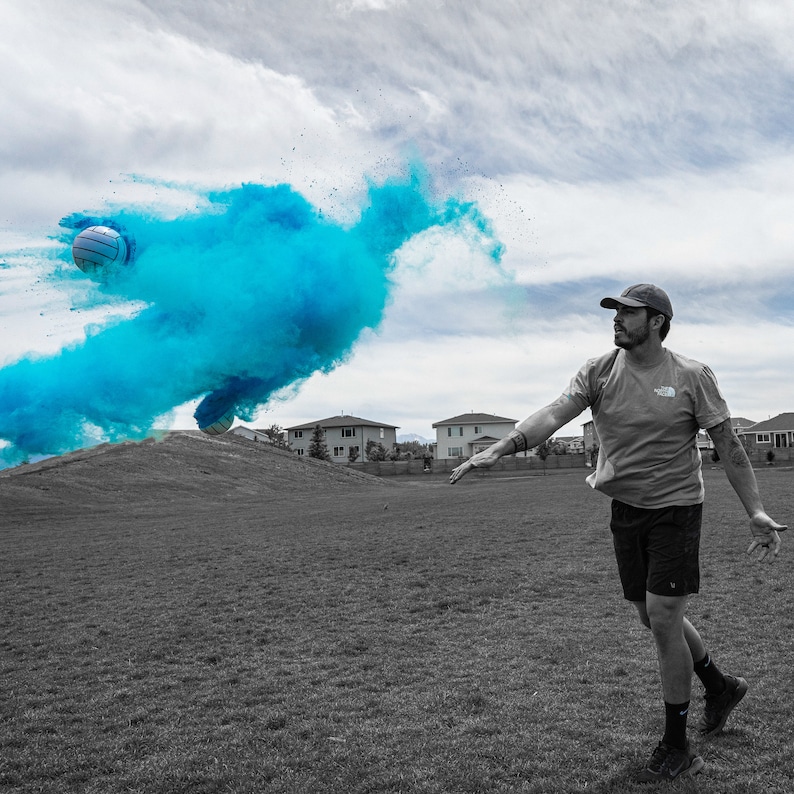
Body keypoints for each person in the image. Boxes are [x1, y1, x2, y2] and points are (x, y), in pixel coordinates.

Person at [449, 284, 786, 783]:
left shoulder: (691, 376)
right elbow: (554, 413)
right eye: (616, 312)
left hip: (676, 508)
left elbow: (727, 444)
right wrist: (504, 447)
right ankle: (719, 685)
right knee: (649, 617)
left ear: (656, 321)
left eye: (629, 313)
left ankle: (678, 745)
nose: (617, 320)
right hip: (625, 508)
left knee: (665, 618)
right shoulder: (599, 370)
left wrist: (755, 510)